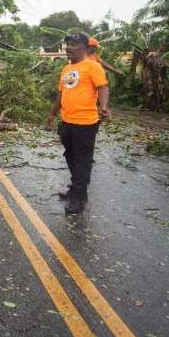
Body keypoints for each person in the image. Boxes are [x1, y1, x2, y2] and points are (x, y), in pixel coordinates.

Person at [46, 33, 110, 215]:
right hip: (67, 121)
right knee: (70, 156)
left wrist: (104, 107)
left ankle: (79, 198)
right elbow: (61, 95)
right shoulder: (66, 69)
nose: (69, 47)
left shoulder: (93, 66)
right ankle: (76, 188)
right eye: (68, 44)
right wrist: (52, 114)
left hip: (86, 123)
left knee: (82, 160)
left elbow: (103, 87)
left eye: (74, 44)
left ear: (85, 47)